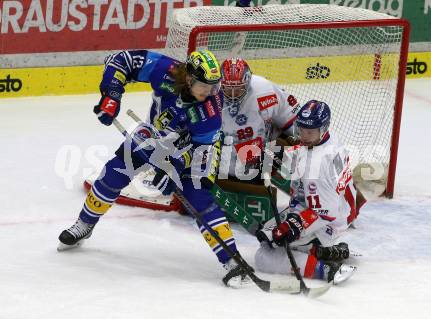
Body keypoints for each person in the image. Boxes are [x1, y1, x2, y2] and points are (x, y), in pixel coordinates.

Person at [57, 49, 248, 286]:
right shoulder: (166, 71)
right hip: (154, 136)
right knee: (113, 173)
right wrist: (112, 95)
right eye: (204, 85)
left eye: (214, 85)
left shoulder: (209, 110)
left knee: (199, 198)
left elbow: (200, 153)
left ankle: (231, 259)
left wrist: (173, 168)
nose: (210, 91)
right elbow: (120, 60)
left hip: (195, 151)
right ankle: (84, 225)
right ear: (189, 78)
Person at [254, 100, 362, 284]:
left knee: (264, 256)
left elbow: (326, 213)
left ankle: (326, 269)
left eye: (309, 132)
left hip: (330, 221)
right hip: (337, 208)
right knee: (267, 233)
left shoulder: (318, 167)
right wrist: (272, 157)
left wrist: (294, 226)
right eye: (301, 129)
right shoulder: (327, 139)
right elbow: (300, 163)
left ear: (323, 128)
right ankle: (322, 252)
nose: (303, 135)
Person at [219, 57, 300, 181]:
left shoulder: (265, 90)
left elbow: (289, 114)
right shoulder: (211, 98)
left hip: (265, 157)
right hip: (225, 166)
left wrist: (304, 140)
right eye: (229, 89)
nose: (234, 95)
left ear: (247, 82)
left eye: (238, 88)